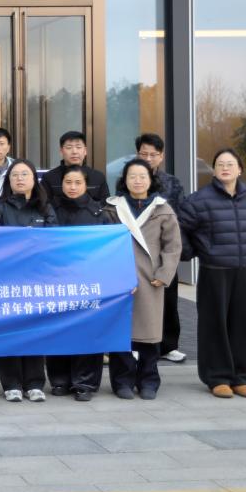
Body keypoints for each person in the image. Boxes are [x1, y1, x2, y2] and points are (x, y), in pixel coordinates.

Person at [179, 148, 246, 399]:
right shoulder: (199, 200)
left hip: (243, 271)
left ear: (239, 169)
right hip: (214, 271)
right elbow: (181, 230)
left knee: (244, 324)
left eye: (230, 164)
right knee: (214, 324)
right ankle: (217, 377)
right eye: (220, 164)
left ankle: (243, 377)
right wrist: (198, 252)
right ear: (214, 170)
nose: (225, 168)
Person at [104, 159, 182, 401]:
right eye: (132, 176)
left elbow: (172, 247)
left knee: (149, 334)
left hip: (151, 281)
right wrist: (110, 277)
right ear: (124, 180)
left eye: (142, 176)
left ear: (151, 180)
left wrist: (164, 274)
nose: (137, 181)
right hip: (120, 279)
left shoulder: (163, 209)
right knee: (121, 333)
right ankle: (122, 381)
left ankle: (148, 380)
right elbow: (104, 244)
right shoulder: (112, 209)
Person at [0, 158, 58, 401]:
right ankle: (11, 384)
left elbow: (54, 241)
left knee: (35, 330)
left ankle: (35, 383)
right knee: (9, 331)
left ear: (34, 179)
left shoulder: (45, 207)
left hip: (37, 279)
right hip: (8, 279)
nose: (19, 178)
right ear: (9, 180)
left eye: (25, 174)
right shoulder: (0, 207)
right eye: (15, 174)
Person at [48, 166, 112, 401]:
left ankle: (85, 383)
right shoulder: (51, 210)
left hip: (89, 280)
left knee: (88, 330)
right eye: (68, 182)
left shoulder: (99, 213)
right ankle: (59, 380)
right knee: (58, 329)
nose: (72, 187)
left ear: (86, 185)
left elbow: (109, 249)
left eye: (77, 182)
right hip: (57, 280)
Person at [135, 133, 188, 365]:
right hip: (138, 250)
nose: (148, 158)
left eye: (153, 154)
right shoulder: (130, 178)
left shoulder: (172, 183)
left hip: (164, 250)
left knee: (168, 300)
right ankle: (138, 345)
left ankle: (168, 346)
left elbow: (181, 215)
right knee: (139, 301)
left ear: (162, 156)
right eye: (144, 154)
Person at [42, 131, 110, 203]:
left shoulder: (98, 177)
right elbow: (44, 205)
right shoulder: (49, 177)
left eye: (78, 147)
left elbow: (105, 205)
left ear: (85, 151)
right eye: (69, 147)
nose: (74, 151)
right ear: (61, 151)